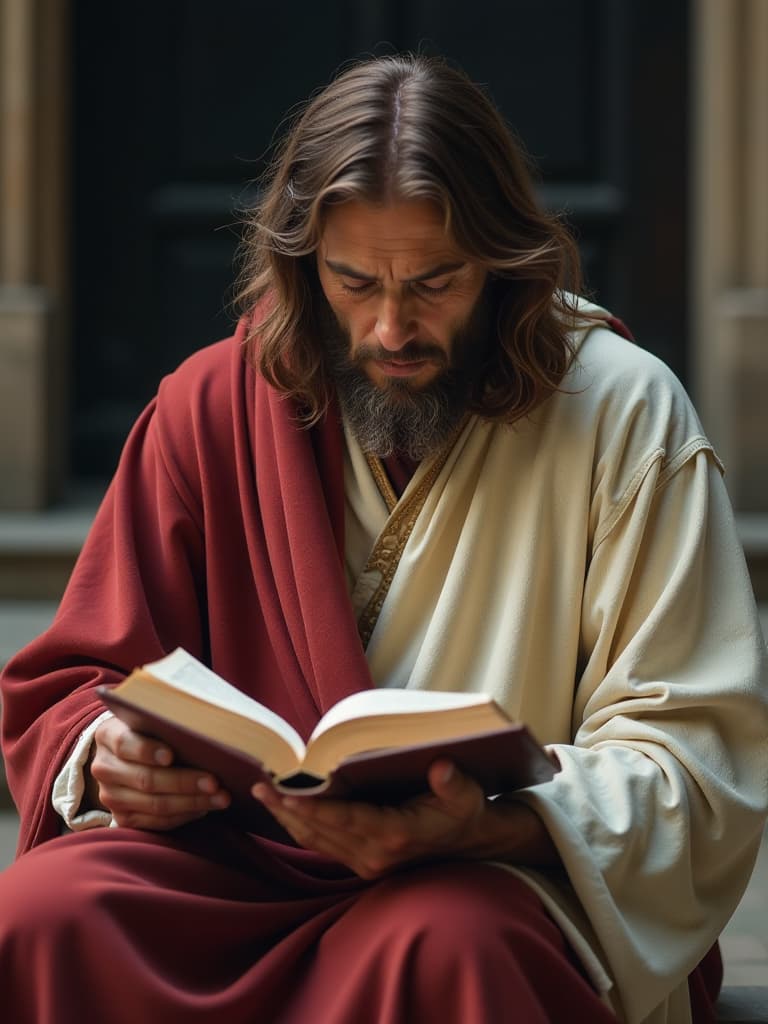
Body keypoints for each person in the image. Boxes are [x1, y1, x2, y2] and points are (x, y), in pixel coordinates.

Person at [0, 53, 766, 1024]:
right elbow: (72, 684)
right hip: (236, 866)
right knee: (40, 913)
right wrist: (108, 754)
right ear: (301, 265)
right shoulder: (211, 404)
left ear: (502, 263)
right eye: (354, 282)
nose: (392, 326)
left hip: (483, 875)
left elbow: (694, 767)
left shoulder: (623, 410)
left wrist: (494, 821)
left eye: (436, 283)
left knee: (444, 947)